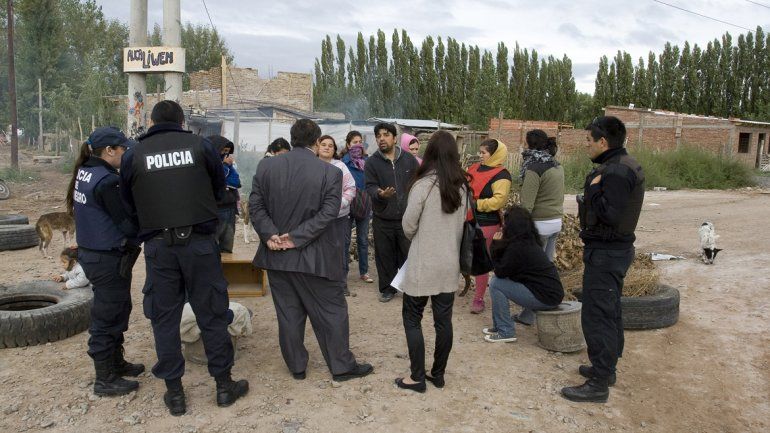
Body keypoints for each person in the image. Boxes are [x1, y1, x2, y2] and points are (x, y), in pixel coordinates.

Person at [120, 100, 248, 416]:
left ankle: (175, 394)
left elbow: (127, 202)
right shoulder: (201, 146)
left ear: (151, 121)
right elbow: (220, 191)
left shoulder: (133, 154)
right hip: (201, 245)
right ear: (181, 121)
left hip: (159, 248)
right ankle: (223, 387)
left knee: (164, 318)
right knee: (212, 313)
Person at [249, 118, 373, 383]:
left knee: (288, 314)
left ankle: (297, 366)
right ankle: (341, 366)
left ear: (292, 138)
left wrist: (270, 234)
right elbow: (330, 212)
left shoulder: (266, 166)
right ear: (317, 143)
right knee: (332, 311)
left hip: (276, 256)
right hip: (315, 258)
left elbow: (255, 205)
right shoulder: (330, 172)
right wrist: (295, 238)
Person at [561, 116, 645, 403]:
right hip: (610, 251)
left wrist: (594, 188)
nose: (586, 145)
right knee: (608, 311)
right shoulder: (619, 165)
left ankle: (599, 383)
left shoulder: (616, 172)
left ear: (603, 142)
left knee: (598, 315)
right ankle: (605, 369)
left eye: (589, 140)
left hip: (608, 253)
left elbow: (611, 214)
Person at [65, 126, 144, 397]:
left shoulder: (86, 170)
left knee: (118, 308)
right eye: (123, 149)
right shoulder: (108, 181)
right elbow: (126, 223)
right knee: (107, 316)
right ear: (109, 151)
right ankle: (105, 378)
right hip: (107, 256)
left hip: (94, 254)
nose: (126, 153)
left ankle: (116, 362)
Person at [395, 130, 468, 393]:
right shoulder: (462, 186)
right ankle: (438, 375)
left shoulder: (423, 185)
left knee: (412, 318)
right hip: (449, 265)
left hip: (422, 265)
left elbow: (408, 226)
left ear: (429, 154)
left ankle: (416, 377)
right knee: (443, 322)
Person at [484, 206, 564, 343]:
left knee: (496, 283)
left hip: (546, 298)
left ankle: (505, 331)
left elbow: (500, 271)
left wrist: (494, 245)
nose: (503, 226)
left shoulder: (518, 247)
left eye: (505, 222)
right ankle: (499, 326)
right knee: (498, 281)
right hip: (550, 294)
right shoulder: (527, 241)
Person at [364, 123, 419, 302]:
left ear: (395, 138)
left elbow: (418, 183)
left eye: (386, 135)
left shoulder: (409, 160)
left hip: (406, 218)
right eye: (378, 136)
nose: (381, 138)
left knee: (408, 254)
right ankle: (388, 289)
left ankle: (409, 287)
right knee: (384, 255)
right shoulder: (372, 162)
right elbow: (370, 186)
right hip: (383, 217)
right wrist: (381, 194)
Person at [516, 130, 565, 326]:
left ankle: (528, 315)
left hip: (539, 226)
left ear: (528, 144)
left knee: (530, 272)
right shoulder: (556, 165)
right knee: (546, 269)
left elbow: (527, 205)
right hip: (555, 223)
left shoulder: (533, 168)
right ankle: (541, 310)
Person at [466, 139, 512, 313]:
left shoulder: (502, 175)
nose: (480, 155)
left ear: (495, 154)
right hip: (468, 219)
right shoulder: (474, 168)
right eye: (480, 152)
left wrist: (476, 204)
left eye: (484, 152)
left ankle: (478, 299)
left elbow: (498, 200)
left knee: (481, 260)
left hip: (487, 223)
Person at [318, 135, 357, 296]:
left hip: (338, 218)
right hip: (316, 219)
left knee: (339, 251)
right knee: (319, 251)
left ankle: (341, 284)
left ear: (334, 150)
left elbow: (351, 188)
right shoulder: (312, 166)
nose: (327, 147)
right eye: (324, 144)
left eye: (330, 145)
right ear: (317, 147)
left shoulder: (340, 167)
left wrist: (338, 204)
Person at [341, 131, 374, 284]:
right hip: (347, 204)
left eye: (360, 141)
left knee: (363, 239)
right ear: (348, 144)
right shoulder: (343, 162)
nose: (358, 145)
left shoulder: (367, 162)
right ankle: (343, 272)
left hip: (364, 204)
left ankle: (364, 271)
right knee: (345, 240)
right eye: (354, 142)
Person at [208, 135, 241, 254]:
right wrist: (225, 167)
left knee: (227, 248)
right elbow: (218, 180)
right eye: (223, 151)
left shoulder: (230, 166)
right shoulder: (208, 164)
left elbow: (236, 182)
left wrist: (227, 168)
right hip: (215, 211)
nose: (226, 155)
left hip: (230, 210)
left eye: (227, 152)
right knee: (212, 248)